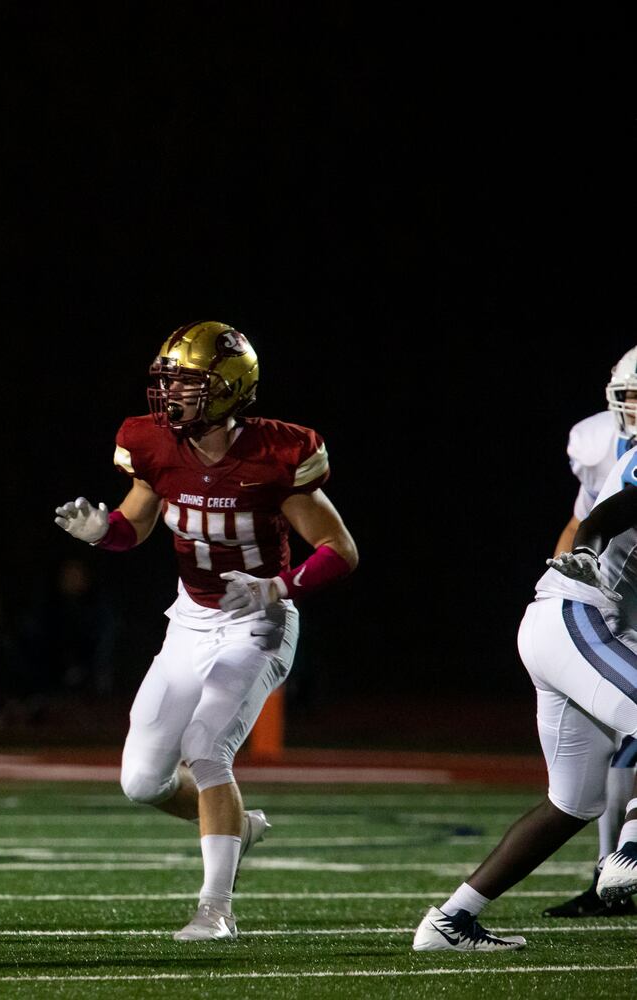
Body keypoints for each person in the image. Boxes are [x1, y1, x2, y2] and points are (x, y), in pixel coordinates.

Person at [55, 321, 358, 942]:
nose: (172, 395)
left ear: (229, 390)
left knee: (207, 746)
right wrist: (100, 532)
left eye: (188, 384)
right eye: (168, 382)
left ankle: (215, 907)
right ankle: (237, 824)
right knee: (142, 781)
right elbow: (132, 526)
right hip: (189, 622)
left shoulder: (277, 452)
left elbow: (338, 548)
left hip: (257, 624)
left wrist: (280, 586)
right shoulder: (153, 445)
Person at [413, 455, 637, 951]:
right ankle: (631, 850)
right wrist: (589, 552)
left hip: (565, 626)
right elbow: (610, 514)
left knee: (573, 802)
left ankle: (450, 921)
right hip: (583, 619)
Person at [543, 345, 637, 919]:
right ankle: (613, 865)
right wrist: (566, 571)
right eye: (628, 397)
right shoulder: (599, 442)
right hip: (616, 588)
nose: (634, 408)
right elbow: (590, 517)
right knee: (609, 737)